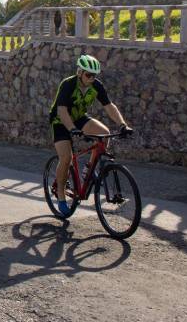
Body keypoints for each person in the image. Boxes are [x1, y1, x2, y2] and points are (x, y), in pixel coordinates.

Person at [49, 54, 133, 217]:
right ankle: (60, 194)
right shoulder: (68, 84)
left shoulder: (96, 85)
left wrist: (123, 124)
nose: (91, 78)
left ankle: (89, 169)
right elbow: (62, 110)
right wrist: (72, 128)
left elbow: (109, 106)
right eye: (88, 75)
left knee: (105, 133)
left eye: (94, 75)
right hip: (60, 120)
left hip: (79, 117)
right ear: (80, 72)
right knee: (66, 158)